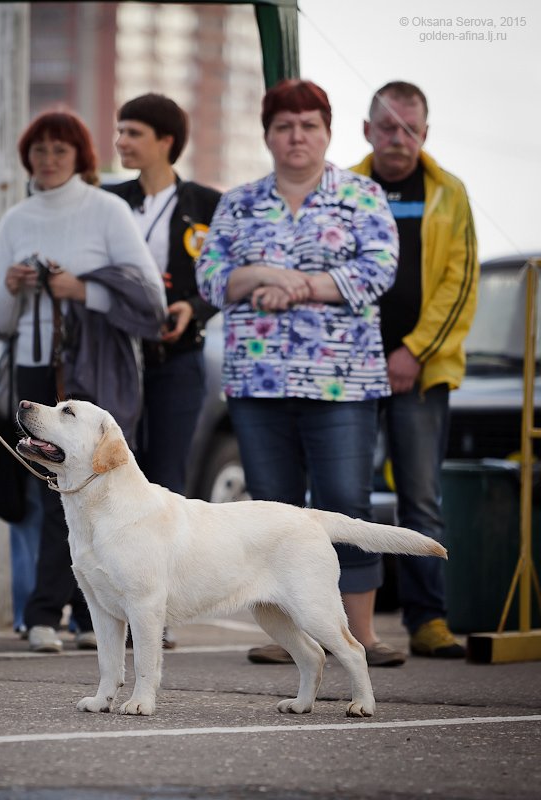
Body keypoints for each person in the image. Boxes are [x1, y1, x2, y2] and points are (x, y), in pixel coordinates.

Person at [195, 79, 404, 667]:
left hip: (343, 381)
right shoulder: (238, 203)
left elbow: (379, 268)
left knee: (344, 501)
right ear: (267, 134)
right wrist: (261, 273)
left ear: (327, 132)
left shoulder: (361, 196)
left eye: (308, 125)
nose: (296, 136)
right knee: (275, 509)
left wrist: (305, 286)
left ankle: (359, 632)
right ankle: (290, 636)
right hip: (257, 382)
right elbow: (211, 277)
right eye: (284, 126)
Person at [0, 110, 166, 654]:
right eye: (39, 150)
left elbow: (148, 297)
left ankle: (95, 616)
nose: (49, 159)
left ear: (81, 156)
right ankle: (41, 614)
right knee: (49, 494)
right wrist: (13, 288)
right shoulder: (15, 218)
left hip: (91, 373)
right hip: (35, 369)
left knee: (103, 491)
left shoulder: (106, 208)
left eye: (61, 150)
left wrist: (81, 291)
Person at [351, 81, 478, 659]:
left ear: (424, 134)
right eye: (387, 126)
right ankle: (338, 622)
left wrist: (414, 353)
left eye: (409, 128)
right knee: (344, 497)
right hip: (349, 372)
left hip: (419, 375)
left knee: (420, 500)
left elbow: (459, 285)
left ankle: (429, 619)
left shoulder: (449, 193)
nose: (397, 138)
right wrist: (371, 356)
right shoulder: (345, 189)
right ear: (367, 131)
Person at [107, 93, 221, 497]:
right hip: (115, 357)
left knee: (167, 479)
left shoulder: (208, 204)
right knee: (112, 475)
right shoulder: (110, 200)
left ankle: (167, 562)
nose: (121, 141)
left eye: (134, 133)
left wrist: (194, 308)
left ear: (166, 141)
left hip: (178, 359)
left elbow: (225, 279)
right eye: (119, 130)